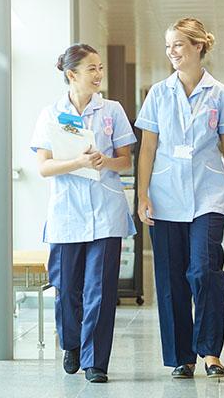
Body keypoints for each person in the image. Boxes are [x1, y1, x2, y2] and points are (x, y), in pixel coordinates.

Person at [135, 18, 224, 379]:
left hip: (209, 196)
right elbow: (148, 147)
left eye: (179, 45)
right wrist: (142, 195)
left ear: (198, 46)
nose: (172, 53)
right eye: (168, 47)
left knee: (204, 270)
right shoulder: (158, 93)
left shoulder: (221, 95)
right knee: (170, 280)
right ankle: (182, 357)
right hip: (166, 197)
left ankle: (210, 350)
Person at [30, 44, 137, 383]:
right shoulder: (51, 114)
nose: (99, 75)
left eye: (100, 68)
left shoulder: (112, 110)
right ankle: (73, 344)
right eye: (92, 69)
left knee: (101, 290)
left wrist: (105, 161)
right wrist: (77, 162)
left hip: (105, 210)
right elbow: (44, 167)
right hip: (66, 213)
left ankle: (95, 362)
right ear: (71, 75)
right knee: (67, 288)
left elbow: (126, 160)